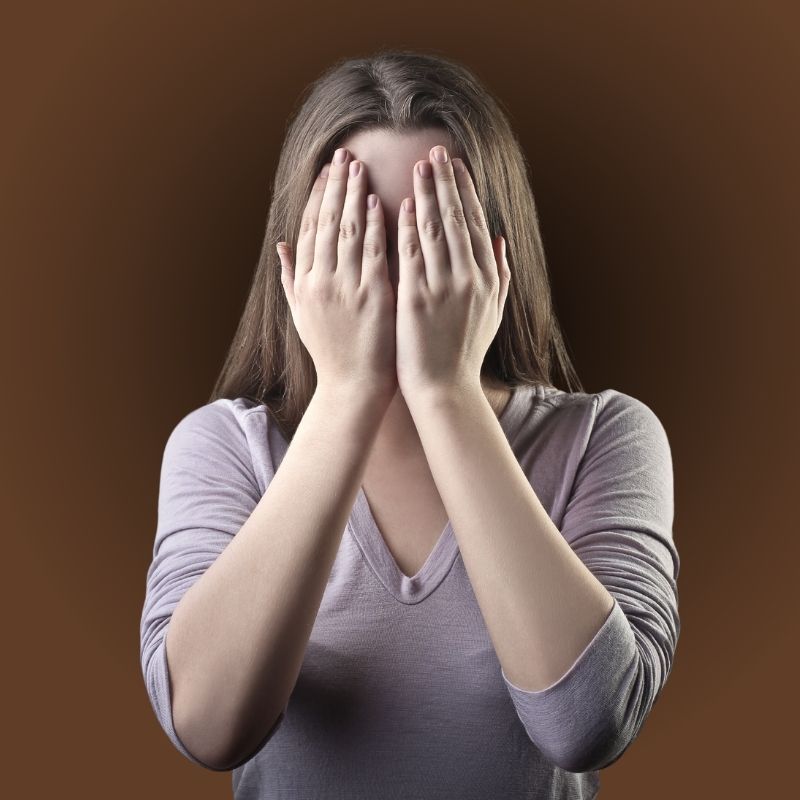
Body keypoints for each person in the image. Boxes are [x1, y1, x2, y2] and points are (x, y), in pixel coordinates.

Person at [139, 49, 680, 799]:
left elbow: (586, 724)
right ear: (295, 264)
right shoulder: (224, 447)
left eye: (433, 235)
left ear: (495, 255)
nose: (394, 279)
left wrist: (447, 391)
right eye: (355, 237)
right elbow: (208, 727)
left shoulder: (605, 439)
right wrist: (347, 392)